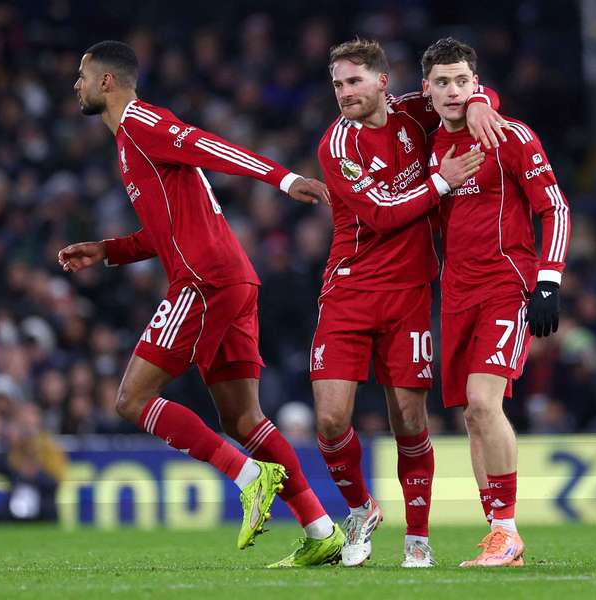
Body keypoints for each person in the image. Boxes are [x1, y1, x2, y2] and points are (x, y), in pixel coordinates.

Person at [59, 40, 343, 566]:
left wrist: (284, 178)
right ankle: (321, 529)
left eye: (81, 75)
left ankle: (247, 475)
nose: (74, 84)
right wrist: (108, 251)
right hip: (231, 281)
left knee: (131, 400)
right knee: (243, 419)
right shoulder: (128, 145)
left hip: (203, 283)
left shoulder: (143, 123)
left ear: (106, 82)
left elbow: (208, 145)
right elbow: (161, 233)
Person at [313, 38, 508, 568]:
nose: (346, 93)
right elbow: (380, 215)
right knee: (330, 420)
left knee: (408, 418)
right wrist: (444, 180)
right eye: (337, 85)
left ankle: (417, 540)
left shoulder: (411, 112)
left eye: (355, 81)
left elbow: (456, 91)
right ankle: (361, 508)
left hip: (409, 294)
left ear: (383, 82)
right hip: (349, 290)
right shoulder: (338, 146)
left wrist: (481, 102)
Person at [423, 38, 570, 567]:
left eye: (464, 81)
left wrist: (548, 281)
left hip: (508, 285)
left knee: (485, 403)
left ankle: (508, 531)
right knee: (471, 415)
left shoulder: (509, 136)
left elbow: (554, 206)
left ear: (475, 82)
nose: (455, 91)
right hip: (455, 293)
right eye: (443, 82)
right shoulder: (428, 144)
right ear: (427, 90)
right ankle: (497, 534)